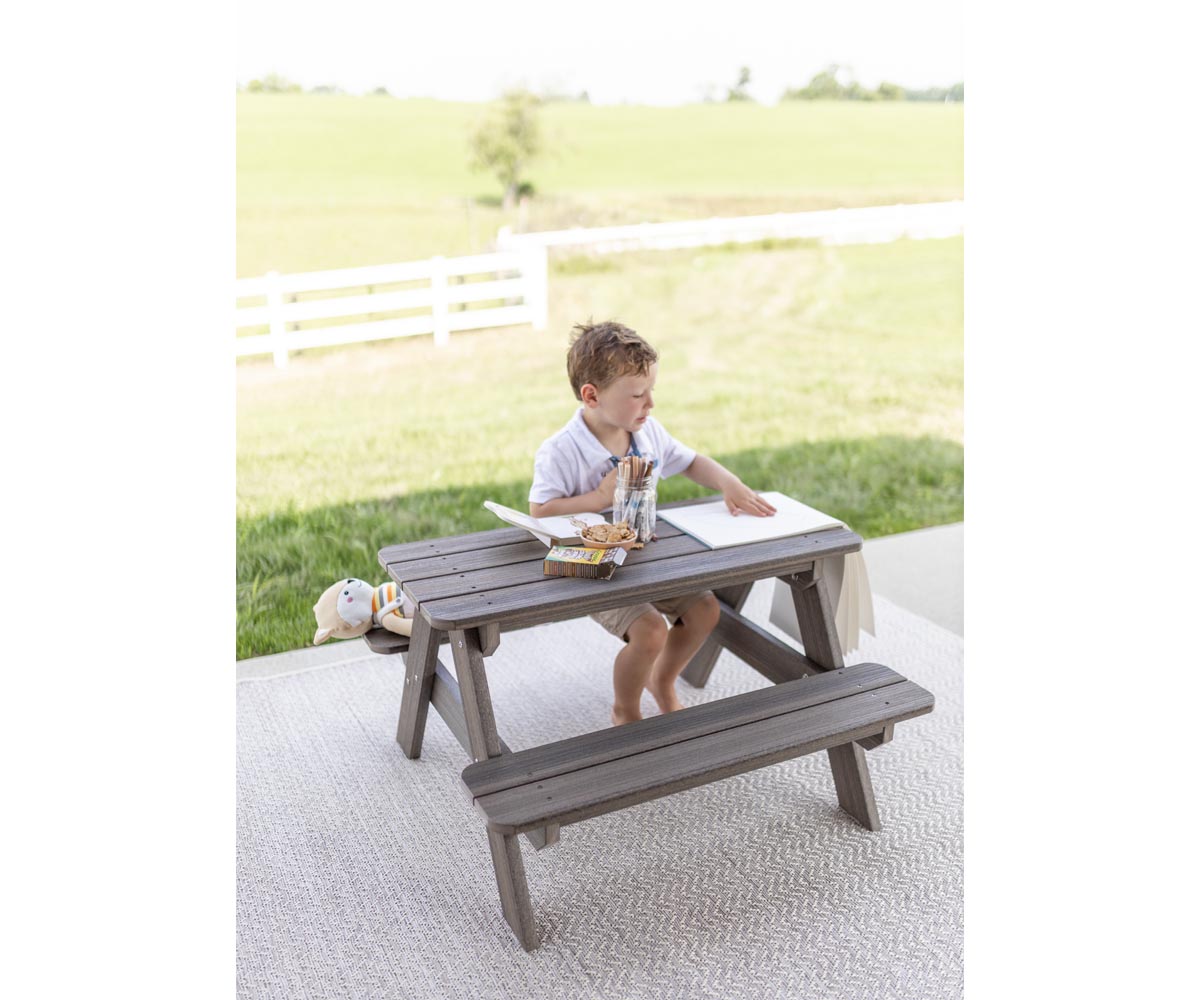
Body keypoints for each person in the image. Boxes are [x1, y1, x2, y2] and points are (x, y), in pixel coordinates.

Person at [530, 320, 777, 726]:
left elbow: (691, 461)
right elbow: (539, 513)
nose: (650, 405)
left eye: (652, 392)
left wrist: (728, 483)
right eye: (638, 395)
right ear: (592, 396)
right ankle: (624, 708)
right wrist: (598, 499)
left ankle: (662, 680)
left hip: (646, 558)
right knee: (649, 631)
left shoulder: (647, 432)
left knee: (704, 611)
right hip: (594, 566)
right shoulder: (562, 451)